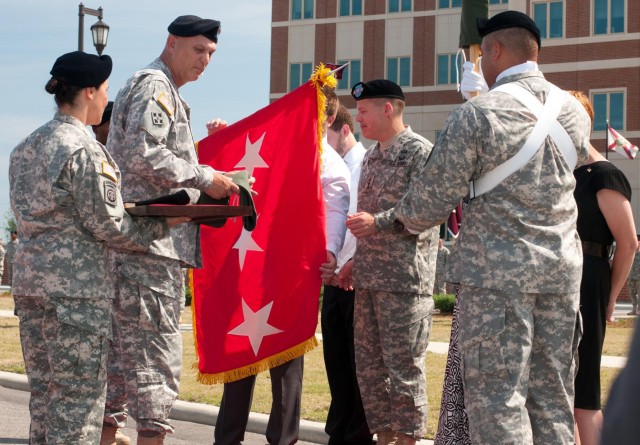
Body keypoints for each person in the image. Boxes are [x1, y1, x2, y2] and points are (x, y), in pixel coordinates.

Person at [349, 11, 593, 444]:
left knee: (499, 402)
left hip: (496, 280)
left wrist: (390, 220)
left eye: (482, 54)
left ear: (494, 50)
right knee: (553, 400)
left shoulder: (478, 113)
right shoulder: (574, 111)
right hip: (561, 274)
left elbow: (428, 205)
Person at [8, 51, 175, 445]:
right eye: (103, 90)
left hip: (32, 290)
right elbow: (112, 225)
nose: (105, 99)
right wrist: (164, 223)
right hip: (76, 296)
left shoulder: (24, 149)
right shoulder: (83, 149)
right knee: (79, 407)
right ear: (88, 92)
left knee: (46, 401)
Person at [106, 15, 239, 445]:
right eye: (198, 50)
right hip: (150, 248)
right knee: (153, 367)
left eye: (211, 54)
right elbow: (146, 156)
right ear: (172, 43)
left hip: (140, 246)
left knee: (121, 369)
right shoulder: (156, 86)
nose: (205, 60)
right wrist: (206, 178)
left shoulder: (161, 89)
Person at [214, 87, 350, 445]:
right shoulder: (277, 145)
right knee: (239, 357)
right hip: (253, 265)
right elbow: (239, 176)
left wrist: (332, 252)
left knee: (286, 366)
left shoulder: (330, 164)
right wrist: (221, 141)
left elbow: (335, 213)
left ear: (329, 119)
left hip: (293, 275)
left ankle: (283, 441)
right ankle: (227, 440)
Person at [345, 79, 438, 445]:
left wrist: (379, 222)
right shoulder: (371, 155)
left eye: (364, 111)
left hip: (404, 284)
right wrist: (353, 263)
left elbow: (427, 211)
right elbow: (364, 221)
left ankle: (408, 440)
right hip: (369, 280)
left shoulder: (421, 153)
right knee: (371, 373)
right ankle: (384, 439)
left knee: (404, 372)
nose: (358, 119)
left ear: (388, 109)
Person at [569, 90, 638, 445]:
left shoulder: (604, 175)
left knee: (584, 391)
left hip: (589, 280)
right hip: (558, 279)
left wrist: (611, 297)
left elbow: (628, 244)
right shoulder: (560, 173)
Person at [322, 105, 372, 445]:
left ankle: (355, 436)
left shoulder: (364, 165)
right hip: (334, 278)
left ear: (342, 130)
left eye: (326, 134)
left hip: (356, 281)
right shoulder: (333, 165)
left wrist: (346, 264)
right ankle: (339, 433)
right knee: (336, 365)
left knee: (357, 371)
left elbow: (361, 225)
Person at [625, 240, 640, 315]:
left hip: (639, 278)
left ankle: (639, 310)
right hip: (631, 277)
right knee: (632, 294)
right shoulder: (630, 254)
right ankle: (634, 310)